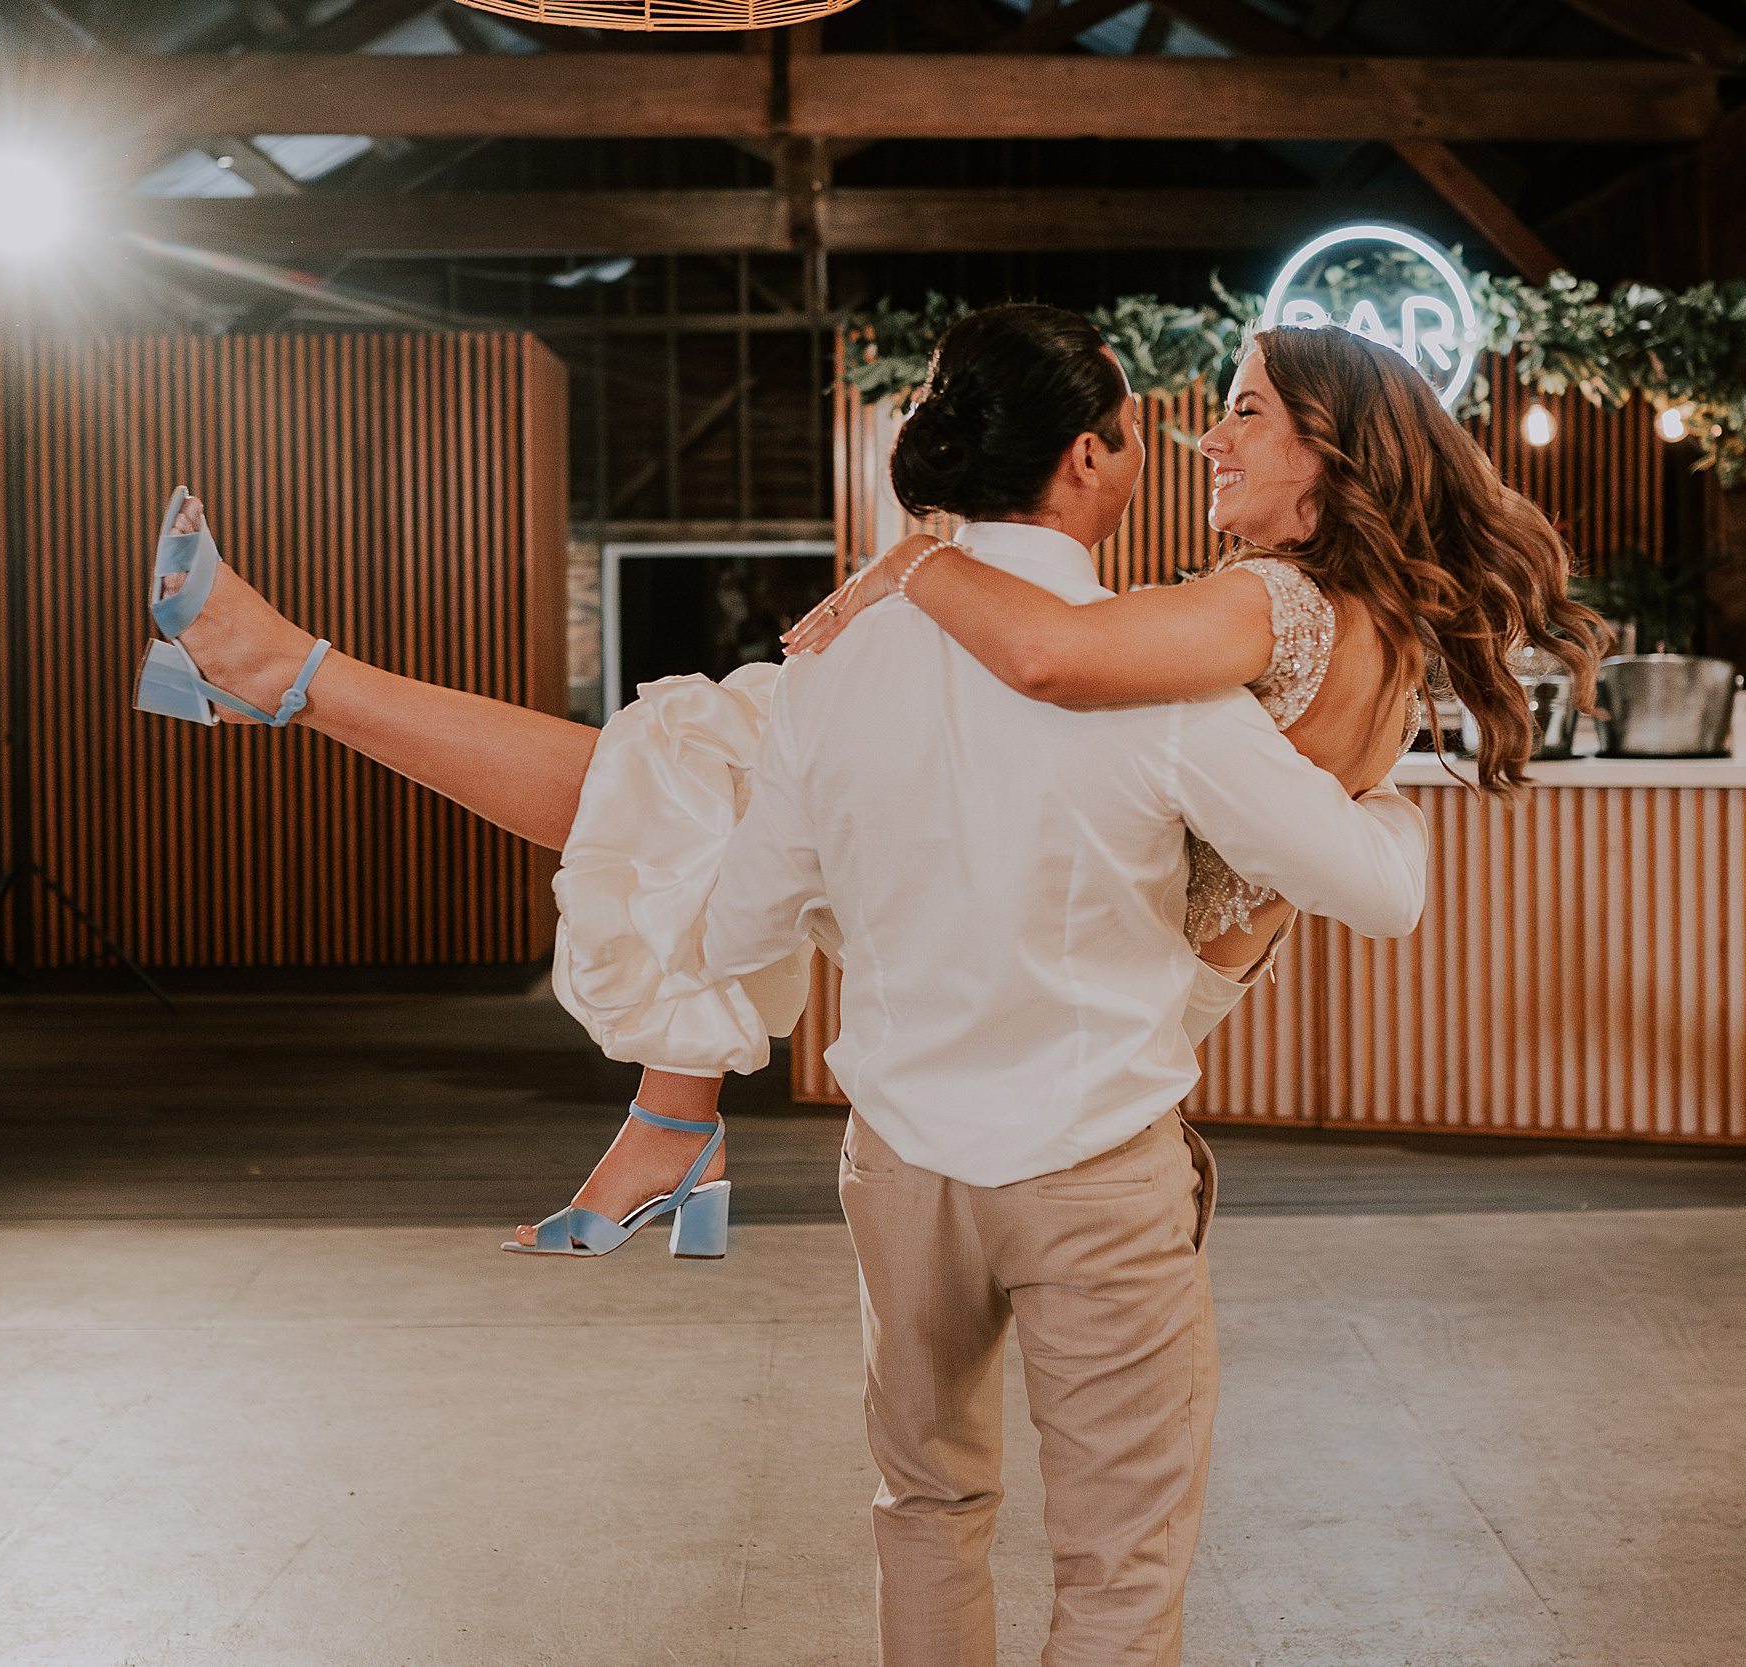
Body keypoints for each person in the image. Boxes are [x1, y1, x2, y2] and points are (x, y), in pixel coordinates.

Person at [134, 302, 1451, 1664]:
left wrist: (907, 596)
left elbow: (759, 899)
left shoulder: (1161, 629)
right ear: (1085, 463)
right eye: (1159, 421)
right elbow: (1341, 868)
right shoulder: (1192, 677)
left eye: (1239, 411)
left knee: (667, 781)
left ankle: (297, 689)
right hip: (1095, 1137)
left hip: (910, 1153)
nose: (1194, 438)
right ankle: (299, 690)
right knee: (1117, 1572)